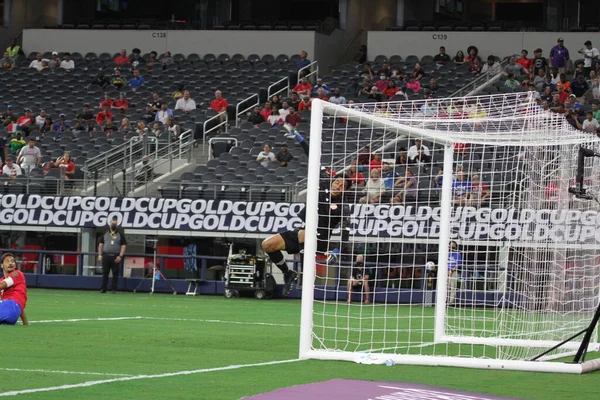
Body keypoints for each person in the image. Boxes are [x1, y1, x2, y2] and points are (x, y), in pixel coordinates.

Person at [262, 124, 352, 296]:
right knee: (268, 245)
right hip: (303, 234)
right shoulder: (324, 181)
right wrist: (300, 139)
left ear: (345, 190)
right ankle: (288, 273)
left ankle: (306, 279)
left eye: (343, 185)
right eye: (337, 181)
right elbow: (313, 158)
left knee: (305, 234)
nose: (338, 185)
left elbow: (346, 231)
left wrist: (337, 250)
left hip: (320, 242)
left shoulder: (343, 206)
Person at [98, 216, 127, 294]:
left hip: (115, 256)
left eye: (115, 223)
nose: (113, 224)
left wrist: (120, 256)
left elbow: (123, 245)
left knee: (115, 273)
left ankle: (113, 289)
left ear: (117, 224)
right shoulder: (105, 233)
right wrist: (100, 255)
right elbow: (101, 244)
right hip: (106, 255)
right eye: (112, 223)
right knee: (105, 272)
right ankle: (103, 289)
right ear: (110, 223)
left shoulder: (120, 234)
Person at [0, 253, 28, 325]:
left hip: (12, 307)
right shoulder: (1, 281)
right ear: (1, 265)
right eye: (7, 261)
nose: (10, 263)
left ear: (15, 265)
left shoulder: (17, 274)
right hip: (12, 314)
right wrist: (25, 323)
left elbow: (3, 284)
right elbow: (19, 305)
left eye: (12, 261)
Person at [447, 241, 462, 306]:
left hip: (454, 272)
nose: (451, 247)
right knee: (446, 287)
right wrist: (447, 270)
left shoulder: (458, 254)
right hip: (445, 272)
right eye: (450, 245)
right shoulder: (446, 253)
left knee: (453, 286)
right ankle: (445, 300)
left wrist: (451, 270)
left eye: (453, 245)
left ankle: (451, 302)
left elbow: (458, 264)